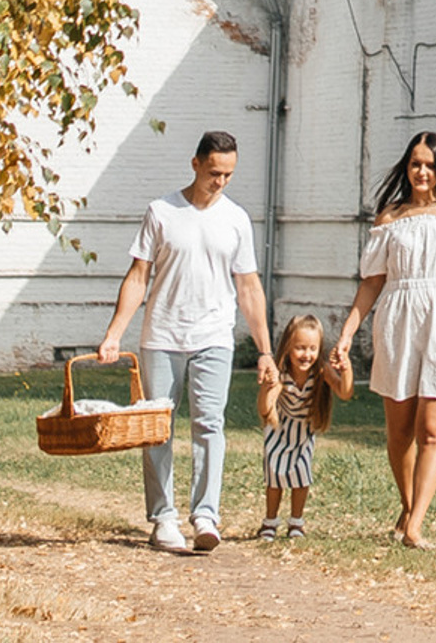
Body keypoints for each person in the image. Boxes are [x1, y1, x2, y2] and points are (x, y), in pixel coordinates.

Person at [95, 129, 278, 554]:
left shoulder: (236, 219)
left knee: (210, 424)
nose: (220, 181)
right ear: (195, 164)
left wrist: (265, 350)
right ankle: (163, 519)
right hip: (162, 336)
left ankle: (205, 516)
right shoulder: (162, 212)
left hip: (214, 337)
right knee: (157, 427)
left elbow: (249, 287)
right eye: (214, 172)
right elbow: (138, 277)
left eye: (228, 174)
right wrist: (114, 334)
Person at [325, 131, 436, 549]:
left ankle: (415, 525)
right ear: (407, 166)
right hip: (398, 319)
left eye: (430, 165)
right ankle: (408, 505)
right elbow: (372, 282)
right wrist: (347, 333)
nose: (422, 172)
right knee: (399, 431)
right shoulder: (390, 218)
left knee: (431, 429)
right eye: (416, 163)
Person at [256, 314, 333, 540]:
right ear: (288, 347)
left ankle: (296, 521)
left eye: (312, 348)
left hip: (303, 431)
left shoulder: (319, 374)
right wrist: (267, 388)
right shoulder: (281, 375)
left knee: (301, 475)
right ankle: (270, 520)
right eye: (300, 348)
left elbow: (345, 391)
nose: (306, 354)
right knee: (274, 476)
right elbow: (265, 410)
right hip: (279, 430)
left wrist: (345, 369)